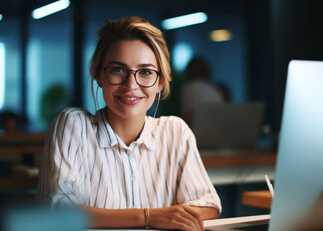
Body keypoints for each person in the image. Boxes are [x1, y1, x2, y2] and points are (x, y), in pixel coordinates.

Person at [37, 16, 221, 230]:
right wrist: (149, 217)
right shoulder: (73, 125)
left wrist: (169, 216)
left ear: (160, 82)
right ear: (99, 75)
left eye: (145, 72)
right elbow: (61, 212)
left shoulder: (175, 131)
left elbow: (208, 205)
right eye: (118, 69)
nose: (131, 85)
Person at [180, 57, 224, 126]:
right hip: (216, 130)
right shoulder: (215, 90)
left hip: (199, 131)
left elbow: (188, 116)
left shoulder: (189, 88)